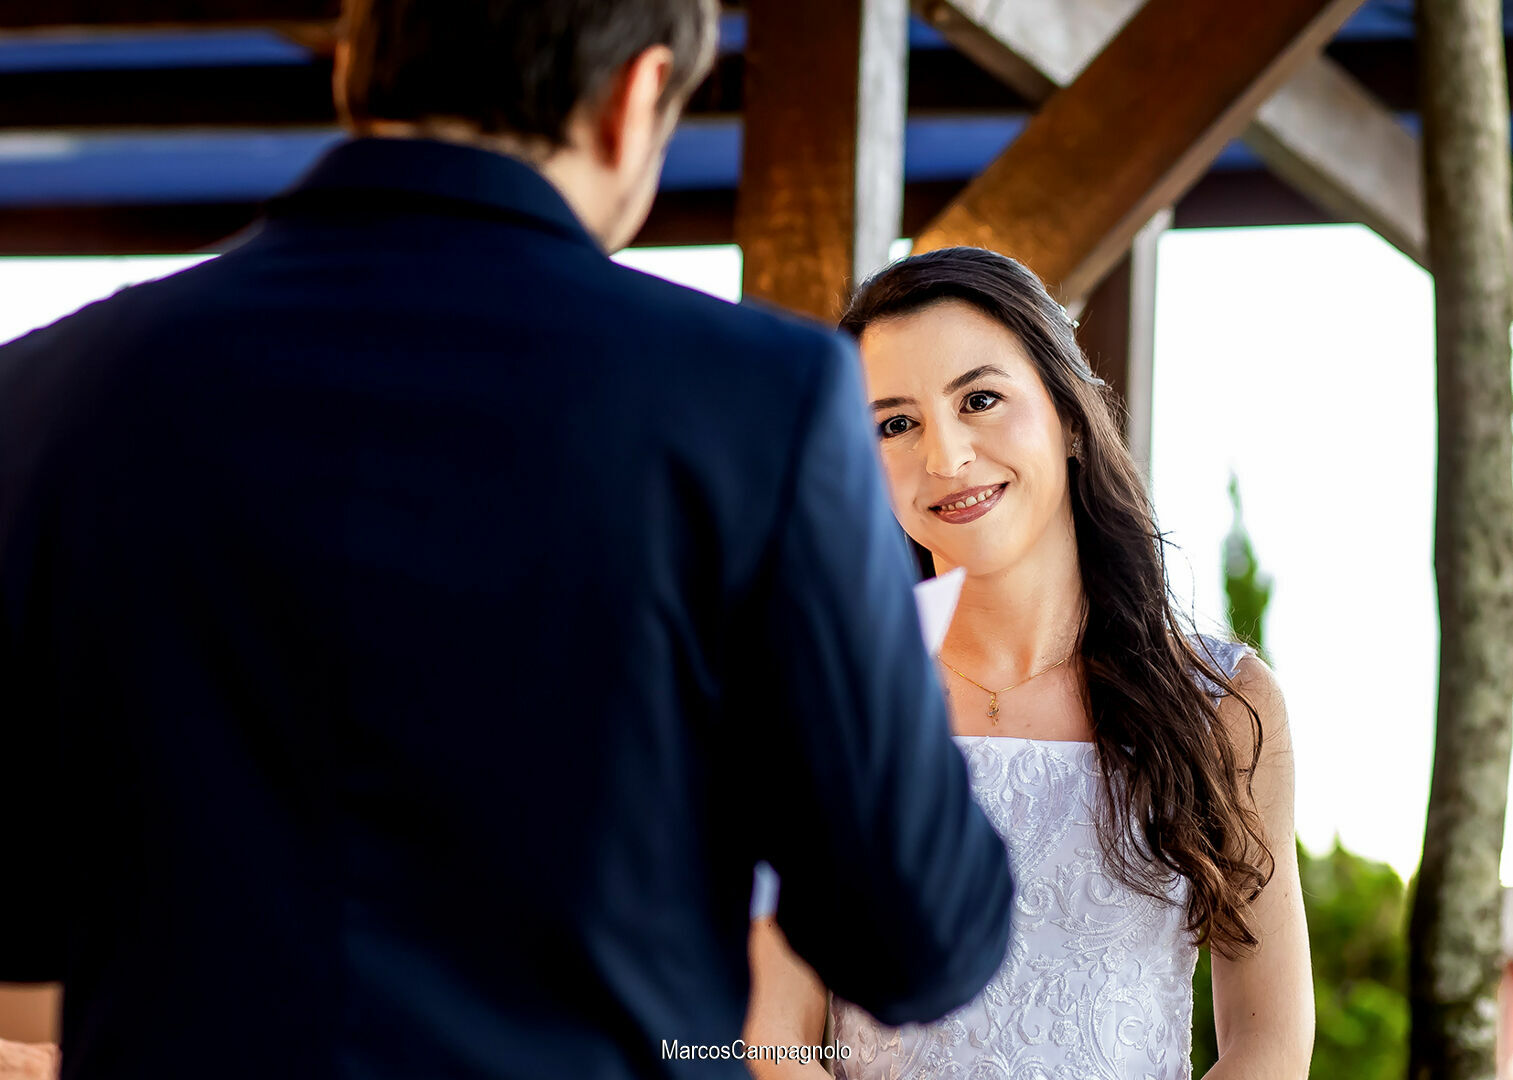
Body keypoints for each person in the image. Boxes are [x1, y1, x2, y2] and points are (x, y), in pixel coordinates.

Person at [0, 4, 1016, 1076]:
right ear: (635, 97)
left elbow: (19, 921)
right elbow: (918, 938)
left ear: (358, 69)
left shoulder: (47, 394)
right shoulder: (755, 401)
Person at [742, 247, 1315, 1079]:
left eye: (979, 399)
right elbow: (773, 1038)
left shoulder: (1222, 703)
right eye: (893, 423)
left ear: (1070, 417)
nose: (944, 456)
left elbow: (1269, 1041)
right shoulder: (820, 703)